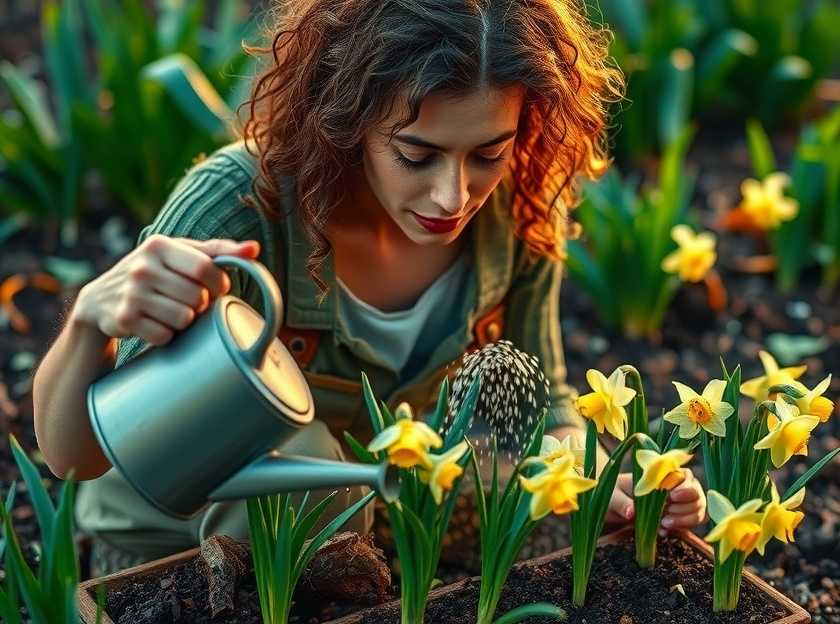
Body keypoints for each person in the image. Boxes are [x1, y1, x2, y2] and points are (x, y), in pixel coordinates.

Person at [32, 0, 706, 577]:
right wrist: (91, 324)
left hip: (373, 520)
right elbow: (74, 457)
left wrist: (598, 482)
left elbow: (548, 398)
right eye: (417, 154)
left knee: (565, 524)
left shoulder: (519, 207)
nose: (454, 195)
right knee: (305, 465)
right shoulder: (242, 206)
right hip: (182, 546)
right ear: (349, 116)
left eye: (488, 154)